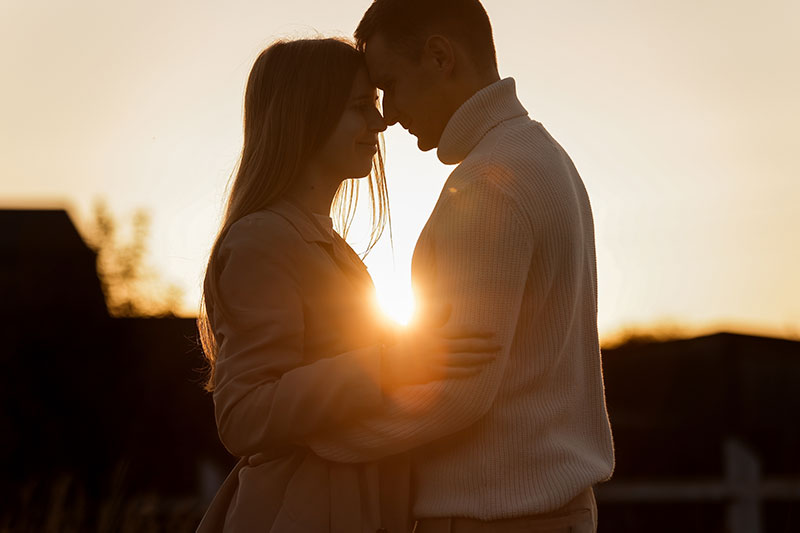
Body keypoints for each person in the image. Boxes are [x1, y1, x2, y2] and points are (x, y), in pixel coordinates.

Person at [306, 1, 616, 531]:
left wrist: (323, 443)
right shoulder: (544, 156)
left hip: (496, 516)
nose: (389, 115)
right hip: (546, 512)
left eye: (391, 85)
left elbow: (457, 392)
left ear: (439, 57)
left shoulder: (489, 184)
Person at [195, 37, 500, 532]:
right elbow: (244, 413)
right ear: (306, 118)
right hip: (300, 512)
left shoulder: (325, 245)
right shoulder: (261, 240)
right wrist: (390, 365)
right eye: (361, 107)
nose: (380, 124)